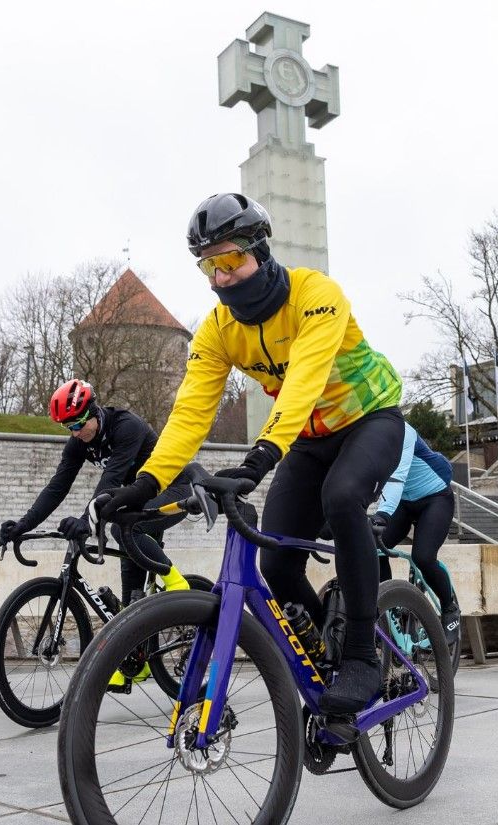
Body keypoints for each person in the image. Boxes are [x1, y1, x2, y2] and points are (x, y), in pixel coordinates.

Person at [97, 192, 405, 714]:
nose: (220, 278)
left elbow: (305, 377)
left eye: (230, 260)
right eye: (208, 266)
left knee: (343, 495)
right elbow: (190, 414)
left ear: (261, 250)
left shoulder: (316, 294)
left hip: (369, 418)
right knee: (278, 564)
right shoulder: (218, 330)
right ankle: (324, 650)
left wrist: (260, 458)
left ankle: (360, 654)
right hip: (307, 438)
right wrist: (146, 485)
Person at [0, 379, 193, 688]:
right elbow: (57, 486)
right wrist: (24, 524)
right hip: (135, 501)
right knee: (132, 599)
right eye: (67, 427)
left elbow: (111, 478)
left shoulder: (126, 426)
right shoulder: (78, 441)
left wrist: (86, 522)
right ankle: (137, 665)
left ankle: (177, 583)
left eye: (78, 423)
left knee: (123, 526)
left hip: (175, 489)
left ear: (94, 411)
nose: (75, 432)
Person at [373, 422, 461, 645]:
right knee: (375, 547)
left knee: (423, 557)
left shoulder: (403, 430)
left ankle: (449, 608)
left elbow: (396, 477)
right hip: (404, 502)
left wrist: (381, 515)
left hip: (435, 498)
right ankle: (389, 607)